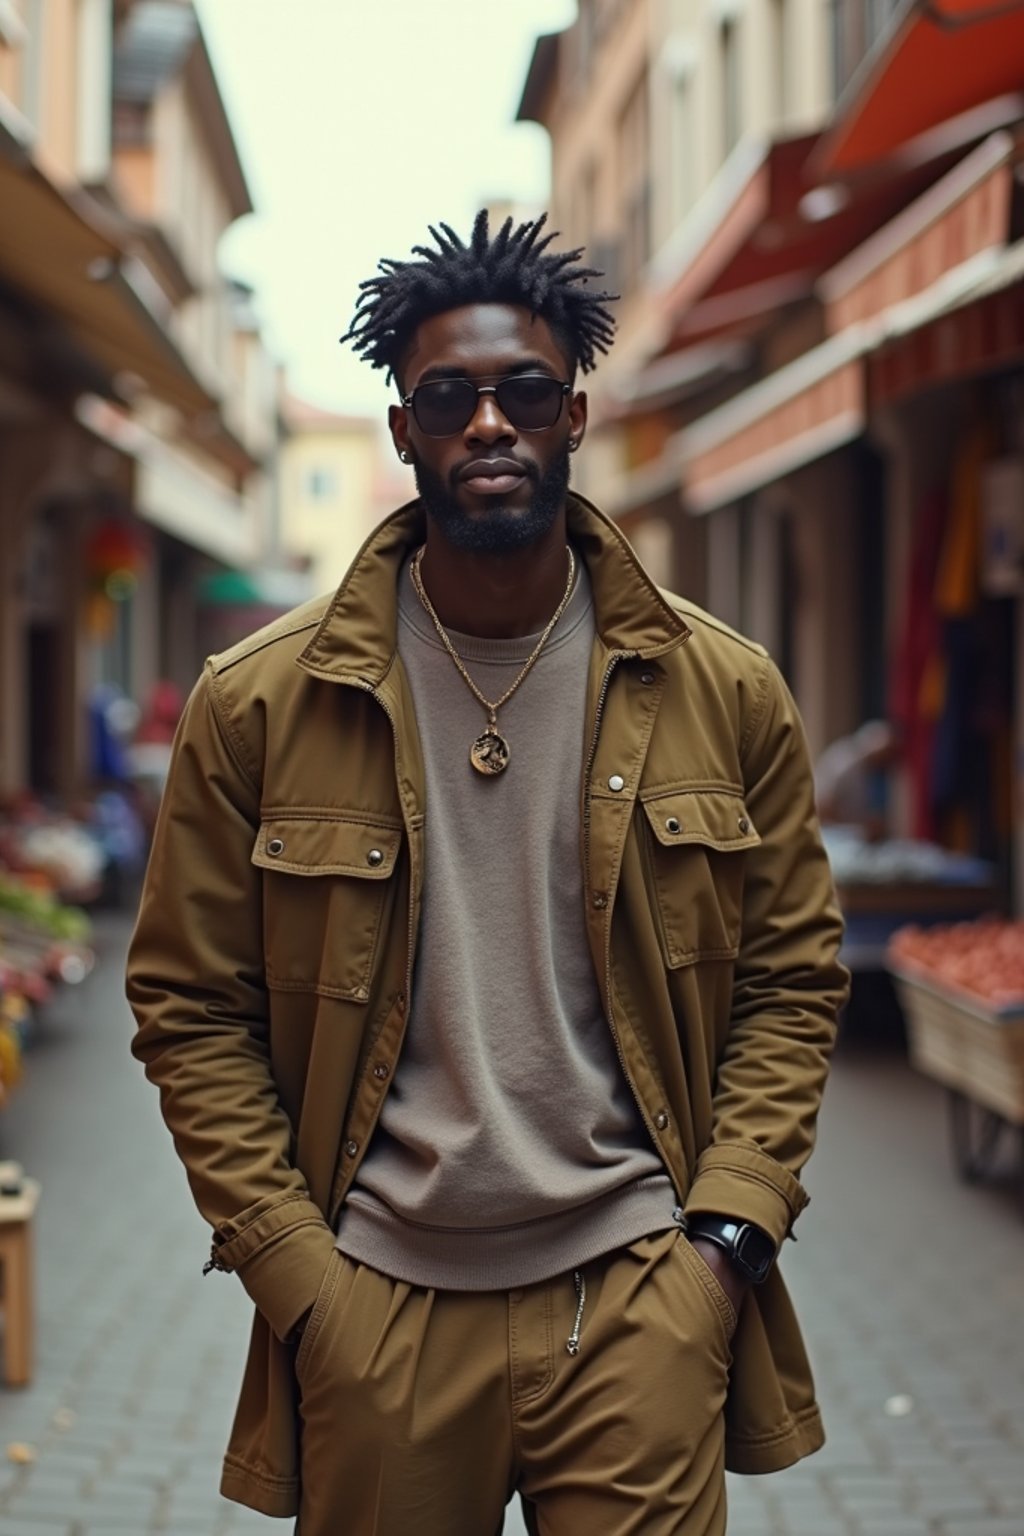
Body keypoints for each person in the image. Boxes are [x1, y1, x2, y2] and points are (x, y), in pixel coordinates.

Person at [127, 212, 849, 1536]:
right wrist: (302, 1282)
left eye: (522, 391)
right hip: (377, 1305)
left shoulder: (723, 688)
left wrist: (725, 1247)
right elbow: (187, 1009)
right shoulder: (262, 702)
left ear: (572, 413)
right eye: (448, 397)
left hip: (639, 1292)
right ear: (402, 430)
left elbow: (793, 985)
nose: (489, 425)